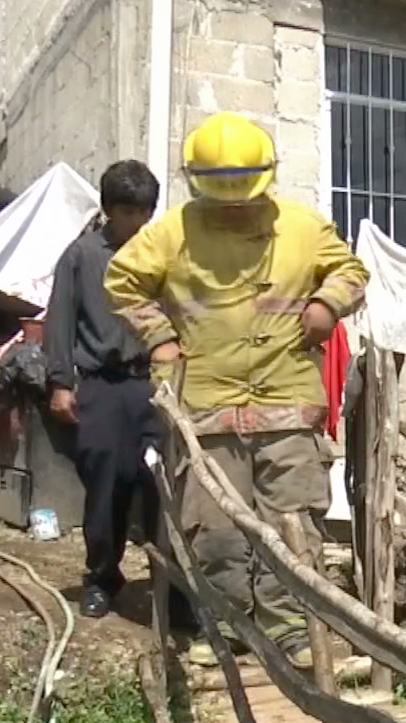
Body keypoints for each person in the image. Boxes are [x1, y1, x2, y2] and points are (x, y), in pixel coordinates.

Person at [106, 113, 368, 666]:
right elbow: (122, 281)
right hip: (206, 407)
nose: (232, 206)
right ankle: (223, 630)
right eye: (219, 197)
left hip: (286, 406)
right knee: (216, 533)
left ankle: (292, 631)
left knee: (292, 526)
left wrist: (327, 305)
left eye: (242, 195)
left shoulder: (302, 228)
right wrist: (159, 340)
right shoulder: (171, 233)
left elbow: (351, 271)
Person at [43, 159, 162, 619]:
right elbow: (60, 321)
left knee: (161, 488)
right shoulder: (82, 256)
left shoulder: (161, 256)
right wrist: (59, 382)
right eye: (128, 212)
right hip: (103, 387)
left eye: (144, 213)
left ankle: (170, 585)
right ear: (109, 209)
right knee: (105, 488)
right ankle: (101, 578)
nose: (136, 222)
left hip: (154, 385)